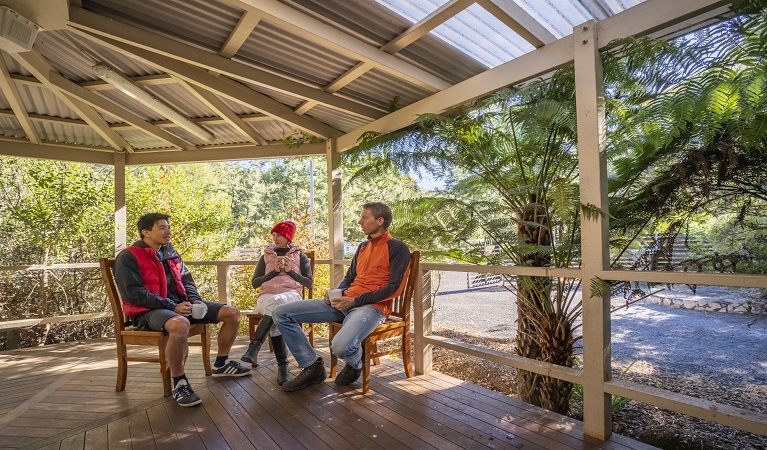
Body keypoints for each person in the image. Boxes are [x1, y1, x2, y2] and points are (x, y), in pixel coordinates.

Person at [113, 213, 250, 407]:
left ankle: (221, 364)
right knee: (180, 325)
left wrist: (194, 301)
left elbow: (187, 281)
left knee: (232, 313)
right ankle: (180, 383)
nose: (167, 231)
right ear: (146, 232)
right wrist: (172, 306)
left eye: (168, 227)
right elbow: (133, 294)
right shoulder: (128, 257)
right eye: (161, 227)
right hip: (148, 311)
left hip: (180, 305)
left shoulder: (170, 252)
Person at [273, 202, 410, 392]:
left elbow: (395, 288)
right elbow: (349, 278)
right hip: (345, 302)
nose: (360, 221)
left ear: (380, 221)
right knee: (281, 313)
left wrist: (355, 301)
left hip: (371, 307)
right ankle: (313, 366)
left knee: (339, 347)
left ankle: (356, 363)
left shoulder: (397, 248)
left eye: (365, 217)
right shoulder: (363, 247)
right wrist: (334, 294)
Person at [240, 220, 313, 385]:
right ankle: (283, 368)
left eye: (279, 235)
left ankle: (255, 348)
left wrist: (289, 272)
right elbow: (255, 283)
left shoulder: (300, 256)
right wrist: (273, 272)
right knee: (276, 307)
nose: (275, 238)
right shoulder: (266, 256)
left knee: (277, 306)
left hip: (292, 296)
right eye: (273, 235)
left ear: (288, 237)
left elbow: (308, 283)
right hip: (266, 297)